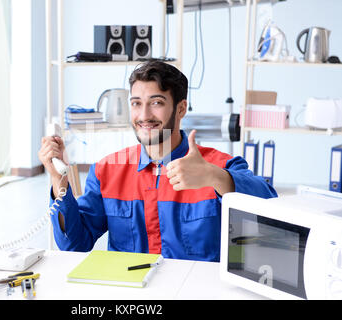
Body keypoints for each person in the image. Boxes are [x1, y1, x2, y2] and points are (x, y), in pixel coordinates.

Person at [38, 60, 277, 262]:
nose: (144, 116)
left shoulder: (217, 166)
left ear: (181, 109)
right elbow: (74, 245)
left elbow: (270, 207)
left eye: (156, 103)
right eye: (136, 104)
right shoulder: (106, 171)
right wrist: (58, 176)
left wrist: (213, 177)